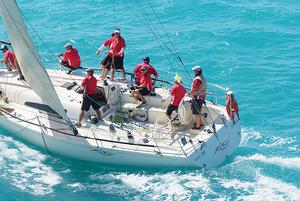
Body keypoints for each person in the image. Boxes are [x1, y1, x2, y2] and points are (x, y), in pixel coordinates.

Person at [188, 65, 207, 130]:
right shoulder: (201, 76)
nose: (194, 71)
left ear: (198, 71)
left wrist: (189, 94)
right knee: (198, 111)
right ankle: (200, 123)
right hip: (201, 96)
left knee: (196, 112)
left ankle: (197, 126)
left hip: (197, 97)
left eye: (195, 71)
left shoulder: (197, 80)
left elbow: (195, 89)